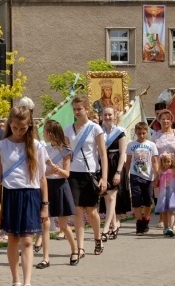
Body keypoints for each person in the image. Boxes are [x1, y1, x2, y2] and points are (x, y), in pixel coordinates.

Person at [0, 106, 48, 286]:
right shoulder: (2, 146)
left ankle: (27, 283)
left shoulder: (37, 146)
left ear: (29, 126)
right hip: (11, 195)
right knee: (13, 239)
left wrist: (45, 205)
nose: (18, 131)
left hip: (31, 195)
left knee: (27, 240)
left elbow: (42, 178)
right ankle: (15, 280)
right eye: (15, 127)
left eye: (22, 128)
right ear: (9, 125)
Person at [64, 96, 108, 258]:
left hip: (90, 174)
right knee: (77, 211)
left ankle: (97, 239)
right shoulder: (68, 129)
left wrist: (104, 177)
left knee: (91, 211)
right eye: (74, 109)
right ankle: (80, 247)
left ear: (86, 109)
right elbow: (66, 153)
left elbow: (103, 154)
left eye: (79, 109)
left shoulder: (95, 128)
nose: (76, 112)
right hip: (73, 174)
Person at [35, 119, 76, 267]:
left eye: (45, 132)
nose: (43, 135)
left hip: (60, 187)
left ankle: (74, 249)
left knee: (63, 226)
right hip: (47, 186)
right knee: (44, 224)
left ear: (51, 133)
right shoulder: (44, 149)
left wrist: (56, 170)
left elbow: (67, 173)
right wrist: (47, 172)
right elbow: (41, 172)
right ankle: (46, 258)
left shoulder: (65, 150)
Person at [151, 108, 175, 222]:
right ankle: (162, 220)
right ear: (159, 121)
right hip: (160, 168)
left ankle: (171, 221)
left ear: (171, 121)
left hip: (174, 168)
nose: (165, 121)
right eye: (163, 119)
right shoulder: (156, 135)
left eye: (168, 119)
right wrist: (155, 171)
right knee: (161, 194)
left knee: (172, 194)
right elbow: (152, 153)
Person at [98, 107, 128, 240]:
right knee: (106, 197)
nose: (107, 117)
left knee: (111, 198)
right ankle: (114, 226)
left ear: (115, 116)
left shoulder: (120, 132)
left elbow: (123, 154)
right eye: (105, 114)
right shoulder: (99, 131)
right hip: (103, 165)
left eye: (110, 114)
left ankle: (105, 229)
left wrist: (118, 172)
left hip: (115, 164)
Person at [126, 122, 159, 235]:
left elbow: (154, 161)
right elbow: (128, 160)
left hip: (148, 175)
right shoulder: (131, 145)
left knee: (148, 201)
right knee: (137, 200)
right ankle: (139, 223)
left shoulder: (151, 145)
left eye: (143, 133)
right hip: (135, 174)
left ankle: (146, 218)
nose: (141, 135)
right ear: (136, 132)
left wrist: (157, 174)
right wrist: (126, 174)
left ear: (147, 133)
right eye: (139, 133)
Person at [155, 153, 175, 236]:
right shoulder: (160, 172)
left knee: (171, 211)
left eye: (168, 161)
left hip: (172, 194)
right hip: (163, 194)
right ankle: (165, 228)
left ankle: (171, 227)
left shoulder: (174, 171)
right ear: (162, 162)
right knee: (164, 211)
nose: (167, 163)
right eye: (165, 162)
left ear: (171, 162)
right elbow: (156, 182)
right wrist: (156, 181)